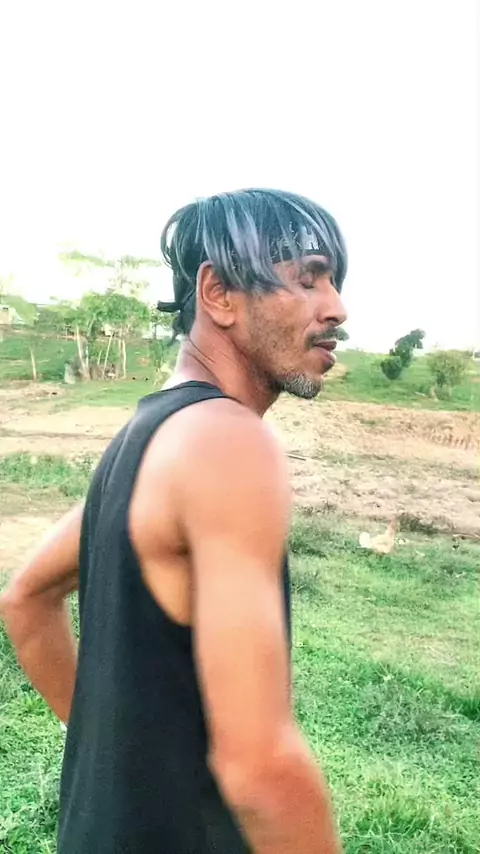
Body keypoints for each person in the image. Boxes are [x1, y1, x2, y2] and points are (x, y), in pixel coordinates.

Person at [0, 188, 348, 853]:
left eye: (334, 282)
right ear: (219, 294)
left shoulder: (148, 437)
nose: (336, 307)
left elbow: (26, 600)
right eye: (309, 279)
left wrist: (122, 766)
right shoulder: (227, 441)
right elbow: (261, 771)